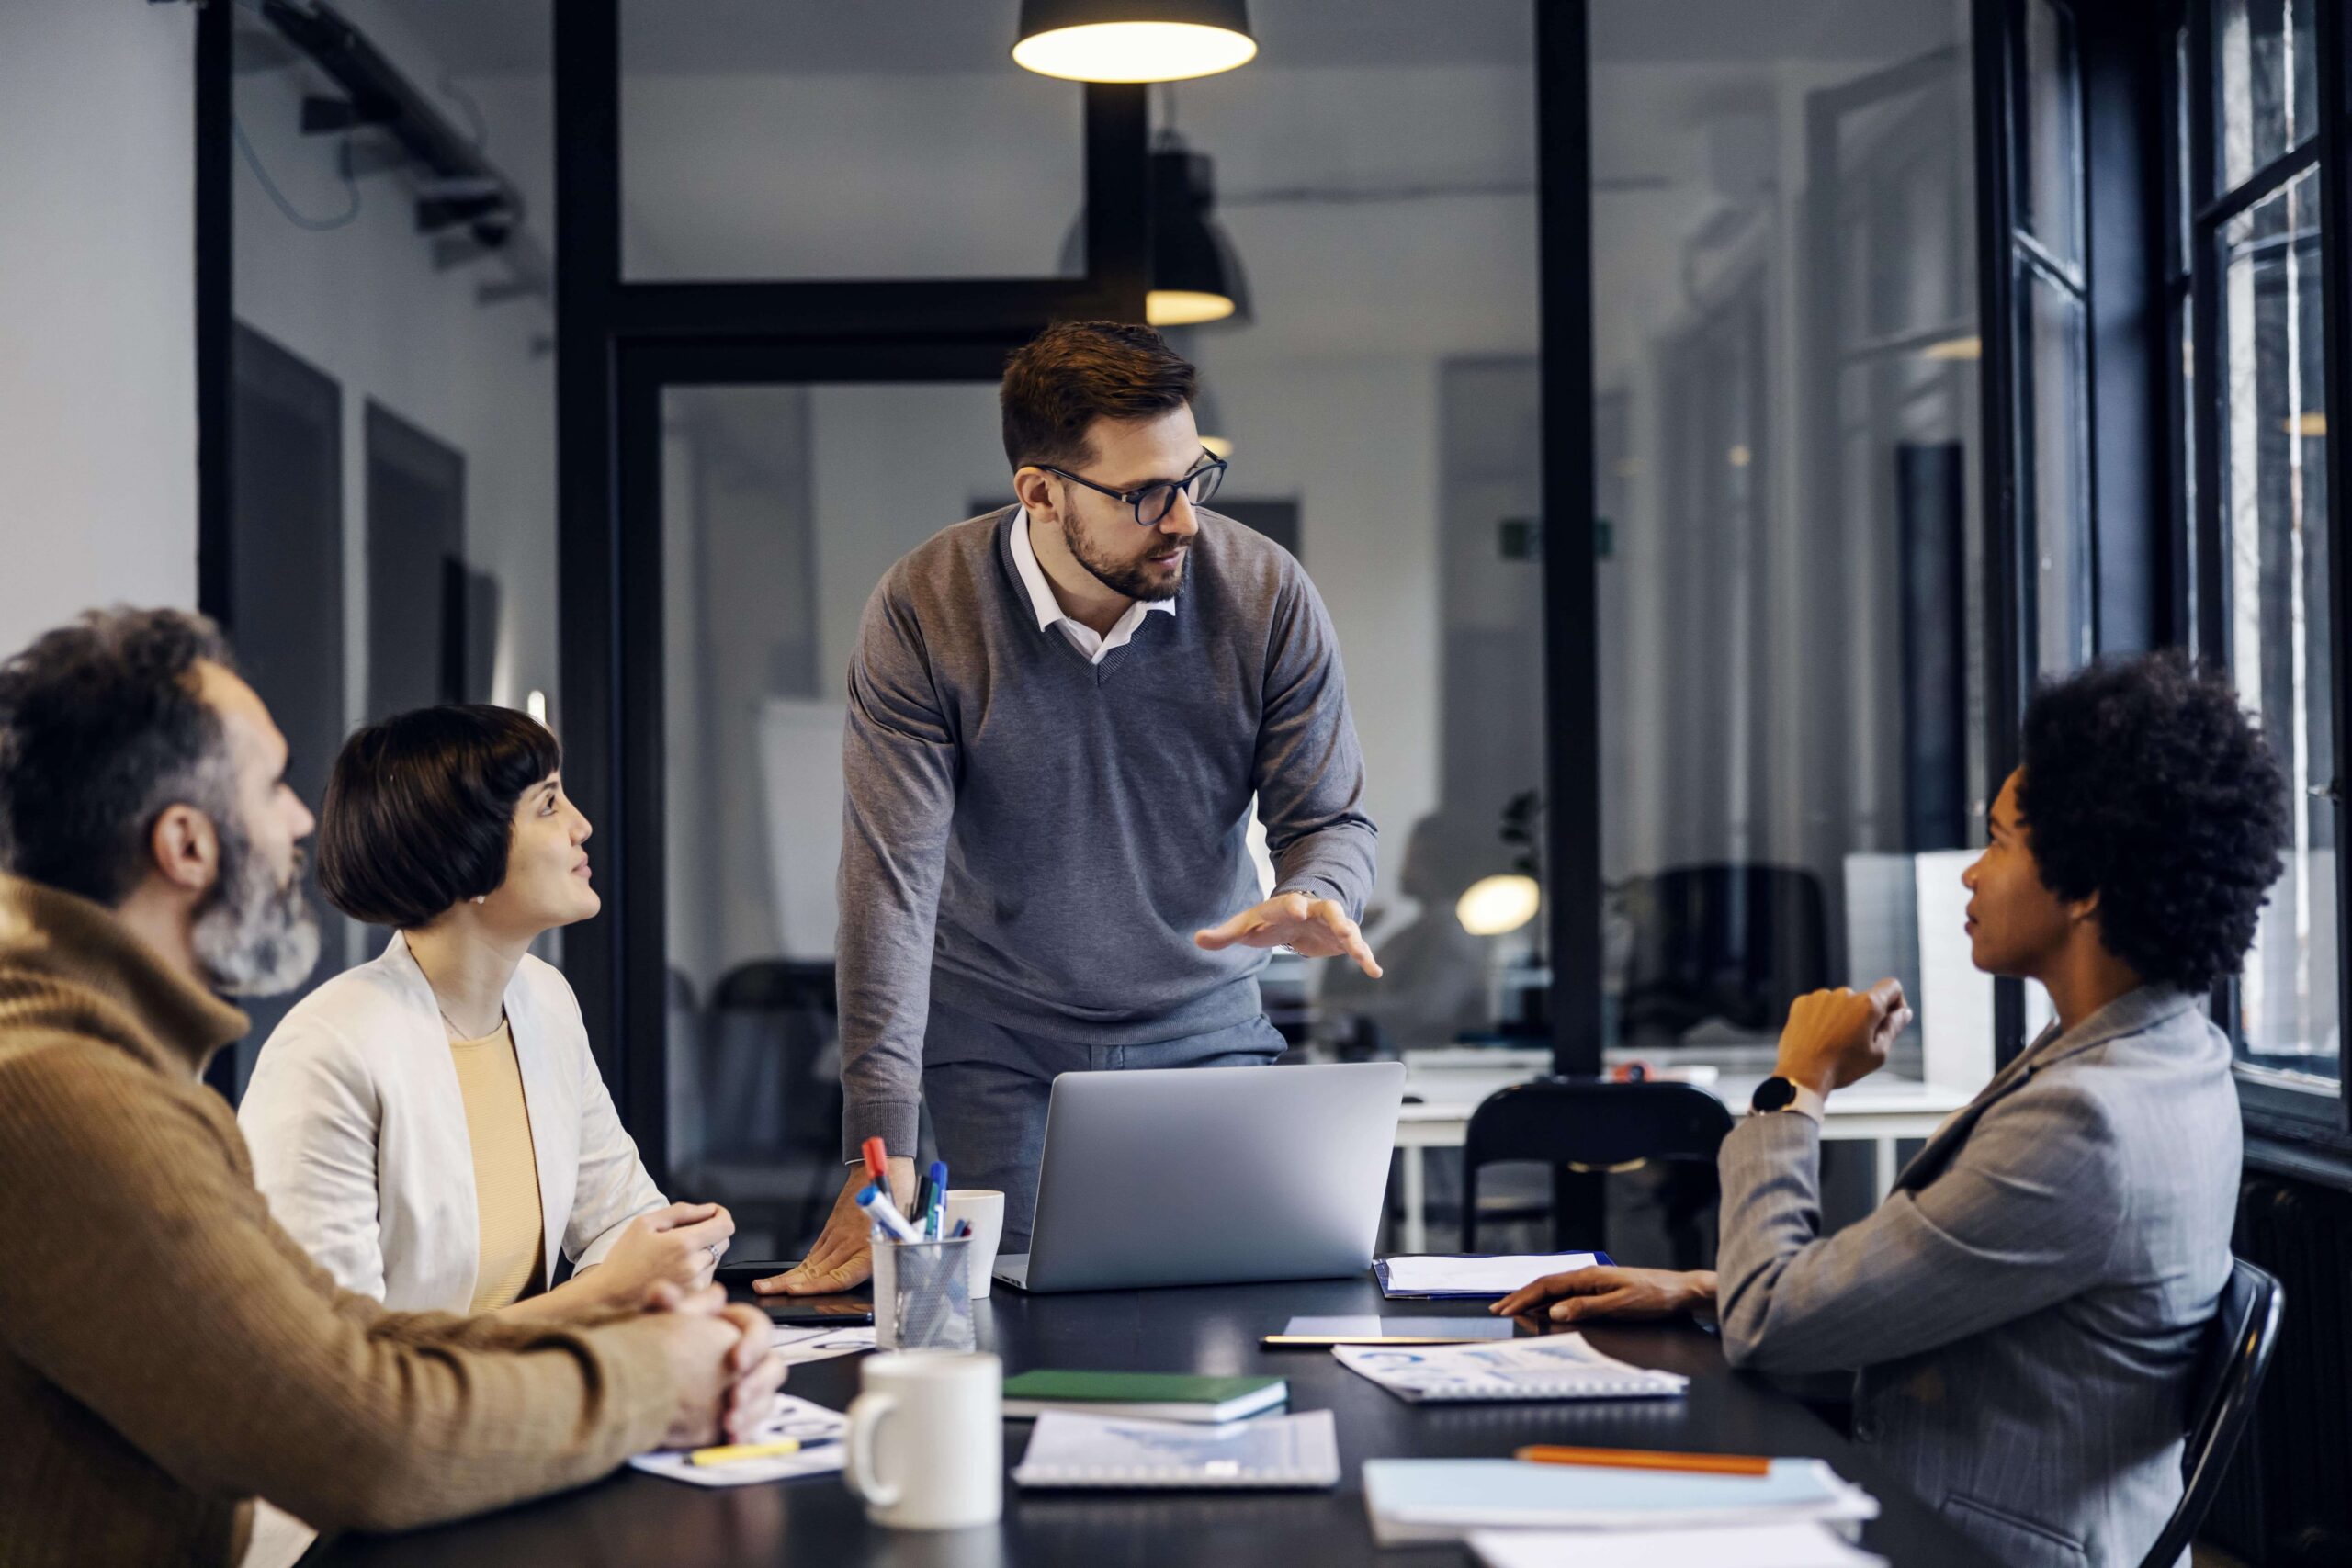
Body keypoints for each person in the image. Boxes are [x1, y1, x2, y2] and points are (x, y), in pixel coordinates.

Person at [0, 610, 783, 1567]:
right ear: (185, 845)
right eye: (272, 786)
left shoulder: (100, 1068)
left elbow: (346, 1344)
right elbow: (358, 1430)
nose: (301, 821)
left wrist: (661, 1336)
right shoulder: (63, 1094)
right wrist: (653, 1379)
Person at [1495, 652, 2288, 1568]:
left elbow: (1771, 1330)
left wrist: (1794, 1089)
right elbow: (1950, 1302)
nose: (1969, 877)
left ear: (2085, 886)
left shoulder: (2086, 1121)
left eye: (1996, 843)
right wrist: (1700, 1290)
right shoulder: (2165, 1054)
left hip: (1965, 1546)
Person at [765, 321, 1383, 1293]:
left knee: (1234, 1326)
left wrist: (1321, 889)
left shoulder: (1264, 593)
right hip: (998, 1048)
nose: (1182, 519)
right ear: (1041, 493)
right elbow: (891, 888)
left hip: (1204, 1035)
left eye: (1194, 477)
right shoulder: (926, 608)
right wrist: (872, 1152)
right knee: (1009, 1334)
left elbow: (1330, 821)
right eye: (1144, 493)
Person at [240, 705, 732, 1319]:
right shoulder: (328, 1050)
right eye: (549, 804)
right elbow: (335, 1357)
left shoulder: (545, 999)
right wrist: (601, 1294)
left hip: (528, 1399)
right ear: (464, 851)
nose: (582, 825)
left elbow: (626, 1219)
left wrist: (676, 1250)